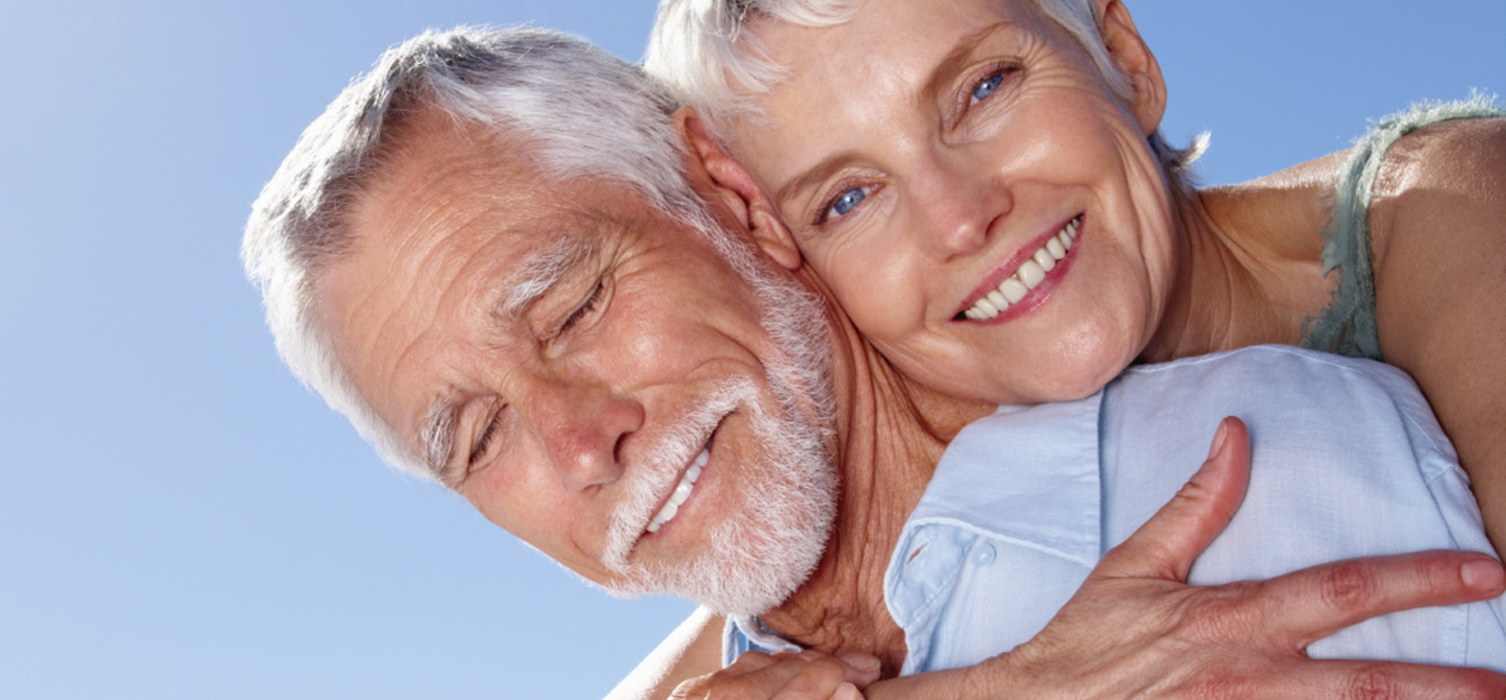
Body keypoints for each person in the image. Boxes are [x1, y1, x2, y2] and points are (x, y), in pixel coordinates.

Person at [239, 27, 1506, 700]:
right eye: (476, 437)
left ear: (731, 204)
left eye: (570, 310)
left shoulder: (1253, 480)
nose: (581, 440)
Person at [645, 0, 1506, 553]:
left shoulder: (1436, 211)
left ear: (1125, 59)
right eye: (849, 198)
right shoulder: (937, 476)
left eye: (983, 88)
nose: (959, 217)